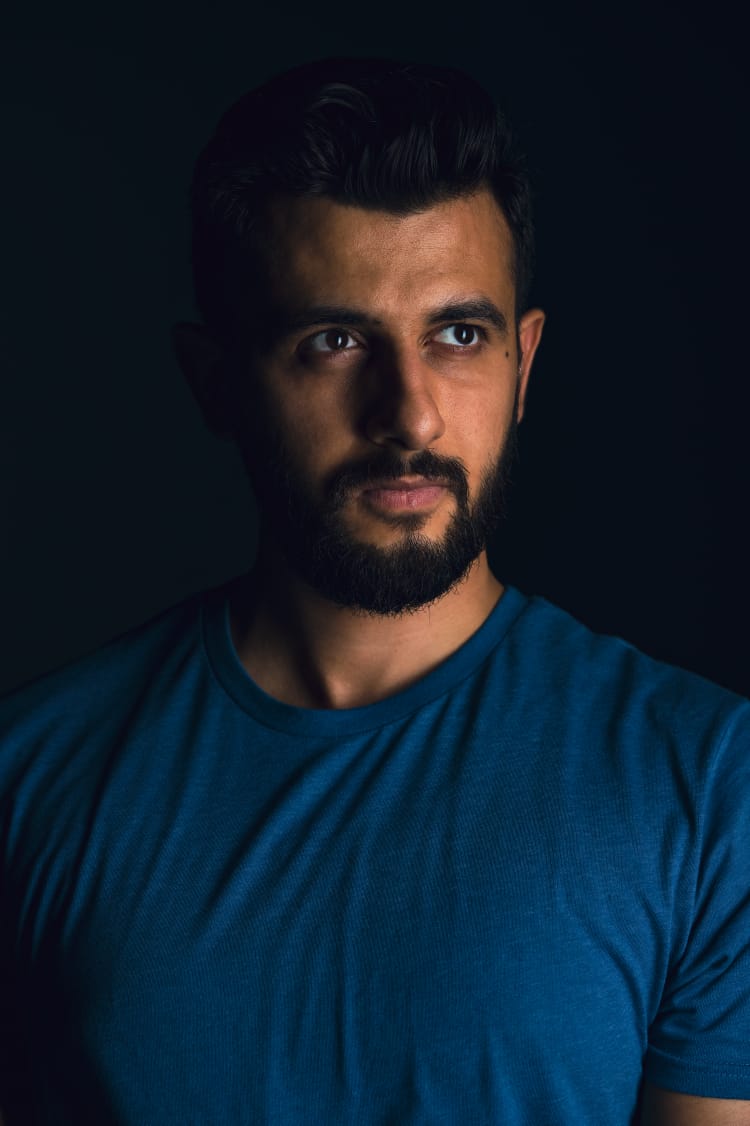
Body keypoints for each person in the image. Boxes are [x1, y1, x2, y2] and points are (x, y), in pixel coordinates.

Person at [1, 56, 749, 1126]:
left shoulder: (711, 786)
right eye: (336, 340)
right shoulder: (31, 780)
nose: (411, 413)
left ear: (525, 364)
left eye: (459, 335)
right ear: (215, 383)